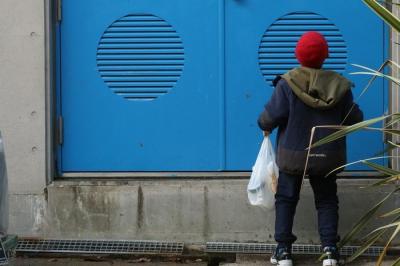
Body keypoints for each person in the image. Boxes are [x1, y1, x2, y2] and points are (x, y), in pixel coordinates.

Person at [258, 31, 363, 266]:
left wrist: (264, 125)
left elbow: (269, 118)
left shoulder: (287, 83)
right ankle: (330, 251)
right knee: (326, 200)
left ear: (298, 55)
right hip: (328, 156)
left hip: (293, 155)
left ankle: (283, 251)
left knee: (286, 198)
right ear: (325, 56)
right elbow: (354, 118)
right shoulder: (340, 85)